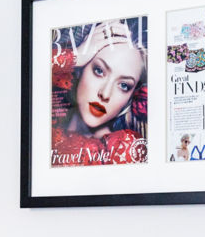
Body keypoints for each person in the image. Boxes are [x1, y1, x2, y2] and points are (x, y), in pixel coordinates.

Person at [51, 19, 147, 166]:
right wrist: (74, 56)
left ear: (131, 96)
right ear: (80, 68)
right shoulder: (43, 124)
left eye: (124, 85)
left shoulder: (122, 150)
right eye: (99, 71)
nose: (105, 94)